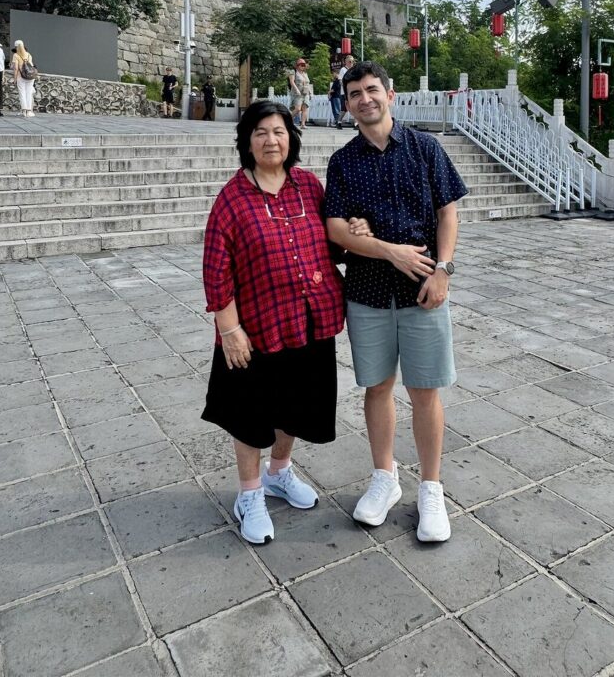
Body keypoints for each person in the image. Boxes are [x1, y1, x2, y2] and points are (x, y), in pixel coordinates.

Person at [201, 99, 370, 545]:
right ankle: (250, 494)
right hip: (254, 329)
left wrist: (355, 231)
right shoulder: (232, 199)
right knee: (250, 415)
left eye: (278, 131)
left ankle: (278, 472)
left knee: (295, 406)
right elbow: (216, 271)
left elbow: (332, 244)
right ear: (247, 142)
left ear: (290, 138)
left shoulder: (308, 186)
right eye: (260, 133)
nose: (270, 140)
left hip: (308, 320)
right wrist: (229, 330)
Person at [325, 61, 468, 543]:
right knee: (378, 386)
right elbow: (336, 228)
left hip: (423, 288)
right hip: (367, 291)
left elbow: (448, 212)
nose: (364, 99)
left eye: (372, 90)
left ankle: (431, 488)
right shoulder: (343, 162)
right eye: (355, 94)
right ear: (347, 105)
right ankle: (385, 477)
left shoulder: (426, 148)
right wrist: (387, 249)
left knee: (425, 390)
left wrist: (443, 270)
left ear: (390, 94)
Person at [10, 39, 35, 118]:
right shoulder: (28, 54)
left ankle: (24, 111)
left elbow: (16, 68)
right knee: (29, 93)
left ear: (16, 47)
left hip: (20, 77)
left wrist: (14, 79)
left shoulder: (16, 55)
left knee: (22, 93)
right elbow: (31, 65)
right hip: (30, 77)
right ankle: (29, 111)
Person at [288, 58, 311, 128]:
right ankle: (287, 120)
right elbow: (292, 82)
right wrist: (297, 90)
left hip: (305, 93)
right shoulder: (293, 72)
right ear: (297, 65)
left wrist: (310, 92)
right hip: (297, 93)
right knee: (297, 109)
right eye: (301, 64)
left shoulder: (305, 74)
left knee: (305, 108)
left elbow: (307, 84)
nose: (303, 66)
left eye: (304, 65)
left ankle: (303, 124)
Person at [336, 54, 355, 128]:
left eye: (352, 61)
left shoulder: (353, 70)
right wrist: (345, 86)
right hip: (344, 92)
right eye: (349, 61)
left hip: (352, 92)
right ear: (346, 62)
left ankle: (356, 124)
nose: (351, 63)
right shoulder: (343, 70)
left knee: (354, 107)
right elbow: (340, 80)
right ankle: (339, 122)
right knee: (344, 109)